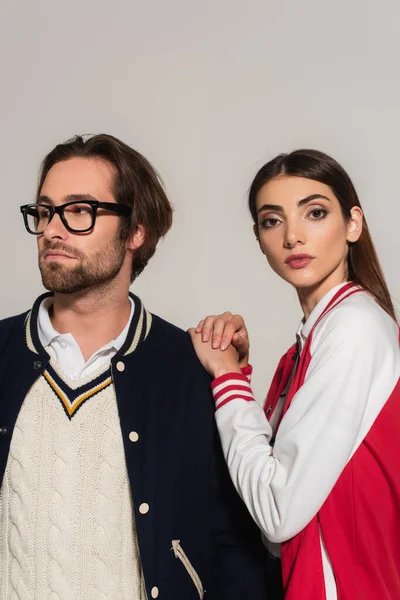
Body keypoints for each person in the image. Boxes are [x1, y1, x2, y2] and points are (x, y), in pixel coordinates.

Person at [0, 134, 269, 600]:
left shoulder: (190, 369)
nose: (52, 230)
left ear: (135, 232)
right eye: (44, 212)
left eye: (80, 211)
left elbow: (235, 549)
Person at [189, 149, 400, 600]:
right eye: (272, 220)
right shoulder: (307, 346)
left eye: (315, 212)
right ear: (258, 237)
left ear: (353, 224)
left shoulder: (354, 327)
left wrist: (226, 380)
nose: (293, 237)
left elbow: (277, 512)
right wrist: (240, 374)